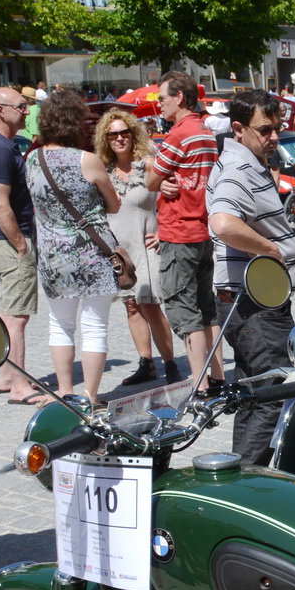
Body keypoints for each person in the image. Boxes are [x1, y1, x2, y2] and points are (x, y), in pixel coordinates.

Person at [207, 91, 295, 465]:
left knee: (253, 395)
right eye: (265, 129)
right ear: (238, 128)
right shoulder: (238, 169)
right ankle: (241, 481)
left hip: (247, 301)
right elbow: (222, 222)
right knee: (274, 394)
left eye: (277, 128)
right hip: (255, 304)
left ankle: (241, 473)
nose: (274, 136)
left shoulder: (244, 161)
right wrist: (270, 249)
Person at [25, 88, 121, 404]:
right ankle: (90, 396)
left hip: (53, 257)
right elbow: (113, 204)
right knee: (94, 328)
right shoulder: (87, 160)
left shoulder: (32, 161)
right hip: (92, 255)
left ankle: (65, 392)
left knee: (60, 326)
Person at [148, 71, 224, 392]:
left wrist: (162, 182)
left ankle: (201, 383)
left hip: (179, 231)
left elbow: (152, 179)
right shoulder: (205, 131)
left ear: (179, 97)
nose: (159, 106)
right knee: (207, 307)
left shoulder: (178, 135)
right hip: (203, 230)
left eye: (162, 99)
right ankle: (218, 377)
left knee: (183, 308)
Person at [95, 108, 177, 386]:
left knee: (151, 305)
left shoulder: (149, 164)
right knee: (131, 306)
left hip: (147, 244)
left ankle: (170, 363)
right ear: (106, 139)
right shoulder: (102, 172)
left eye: (124, 132)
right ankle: (146, 363)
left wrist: (164, 231)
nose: (119, 138)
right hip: (120, 249)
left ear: (132, 134)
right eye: (113, 134)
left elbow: (172, 197)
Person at [0, 85, 41, 403]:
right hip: (10, 240)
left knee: (10, 312)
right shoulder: (0, 149)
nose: (27, 110)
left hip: (5, 239)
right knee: (17, 317)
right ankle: (19, 385)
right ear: (0, 110)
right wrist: (20, 245)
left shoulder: (3, 145)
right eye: (20, 106)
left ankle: (7, 376)